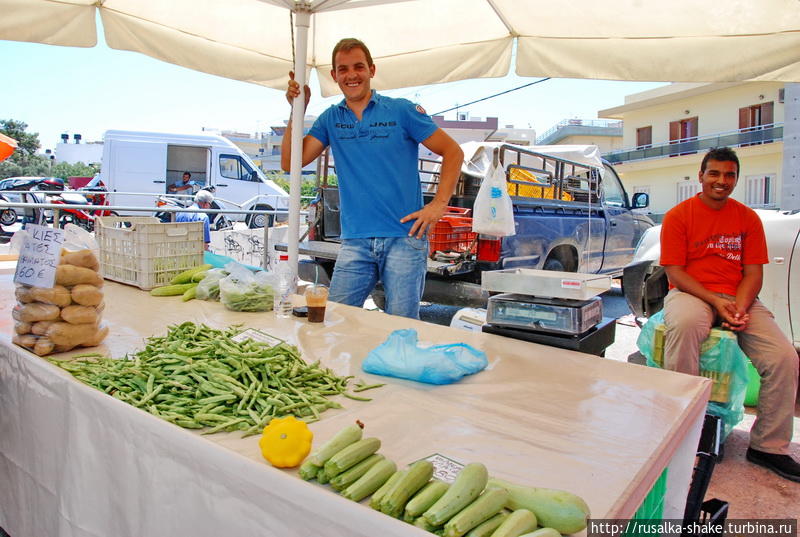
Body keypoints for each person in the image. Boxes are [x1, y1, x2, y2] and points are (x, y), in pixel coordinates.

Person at [281, 37, 463, 319]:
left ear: (371, 70)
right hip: (355, 241)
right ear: (334, 76)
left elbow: (452, 151)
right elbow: (290, 163)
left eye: (358, 67)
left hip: (404, 238)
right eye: (343, 69)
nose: (351, 75)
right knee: (335, 321)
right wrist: (297, 108)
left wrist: (438, 204)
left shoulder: (401, 110)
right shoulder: (330, 119)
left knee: (401, 328)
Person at [660, 147, 799, 482]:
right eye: (715, 174)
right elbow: (675, 272)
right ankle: (681, 434)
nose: (721, 181)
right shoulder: (679, 215)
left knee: (784, 357)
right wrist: (716, 303)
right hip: (691, 292)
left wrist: (737, 306)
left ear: (736, 179)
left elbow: (753, 273)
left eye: (729, 175)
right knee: (685, 326)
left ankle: (768, 446)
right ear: (701, 176)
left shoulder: (746, 217)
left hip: (738, 296)